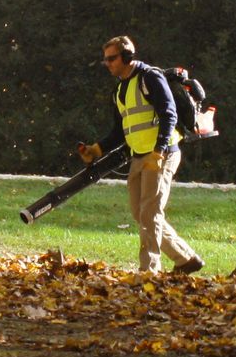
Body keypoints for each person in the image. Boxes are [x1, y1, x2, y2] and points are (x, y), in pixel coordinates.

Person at [77, 35, 204, 274]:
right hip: (139, 155)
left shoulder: (150, 77)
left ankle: (149, 271)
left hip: (161, 155)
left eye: (112, 58)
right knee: (140, 213)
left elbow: (169, 115)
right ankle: (186, 259)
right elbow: (120, 131)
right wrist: (97, 150)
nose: (108, 64)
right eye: (106, 60)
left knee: (150, 214)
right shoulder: (119, 90)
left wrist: (159, 150)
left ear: (127, 56)